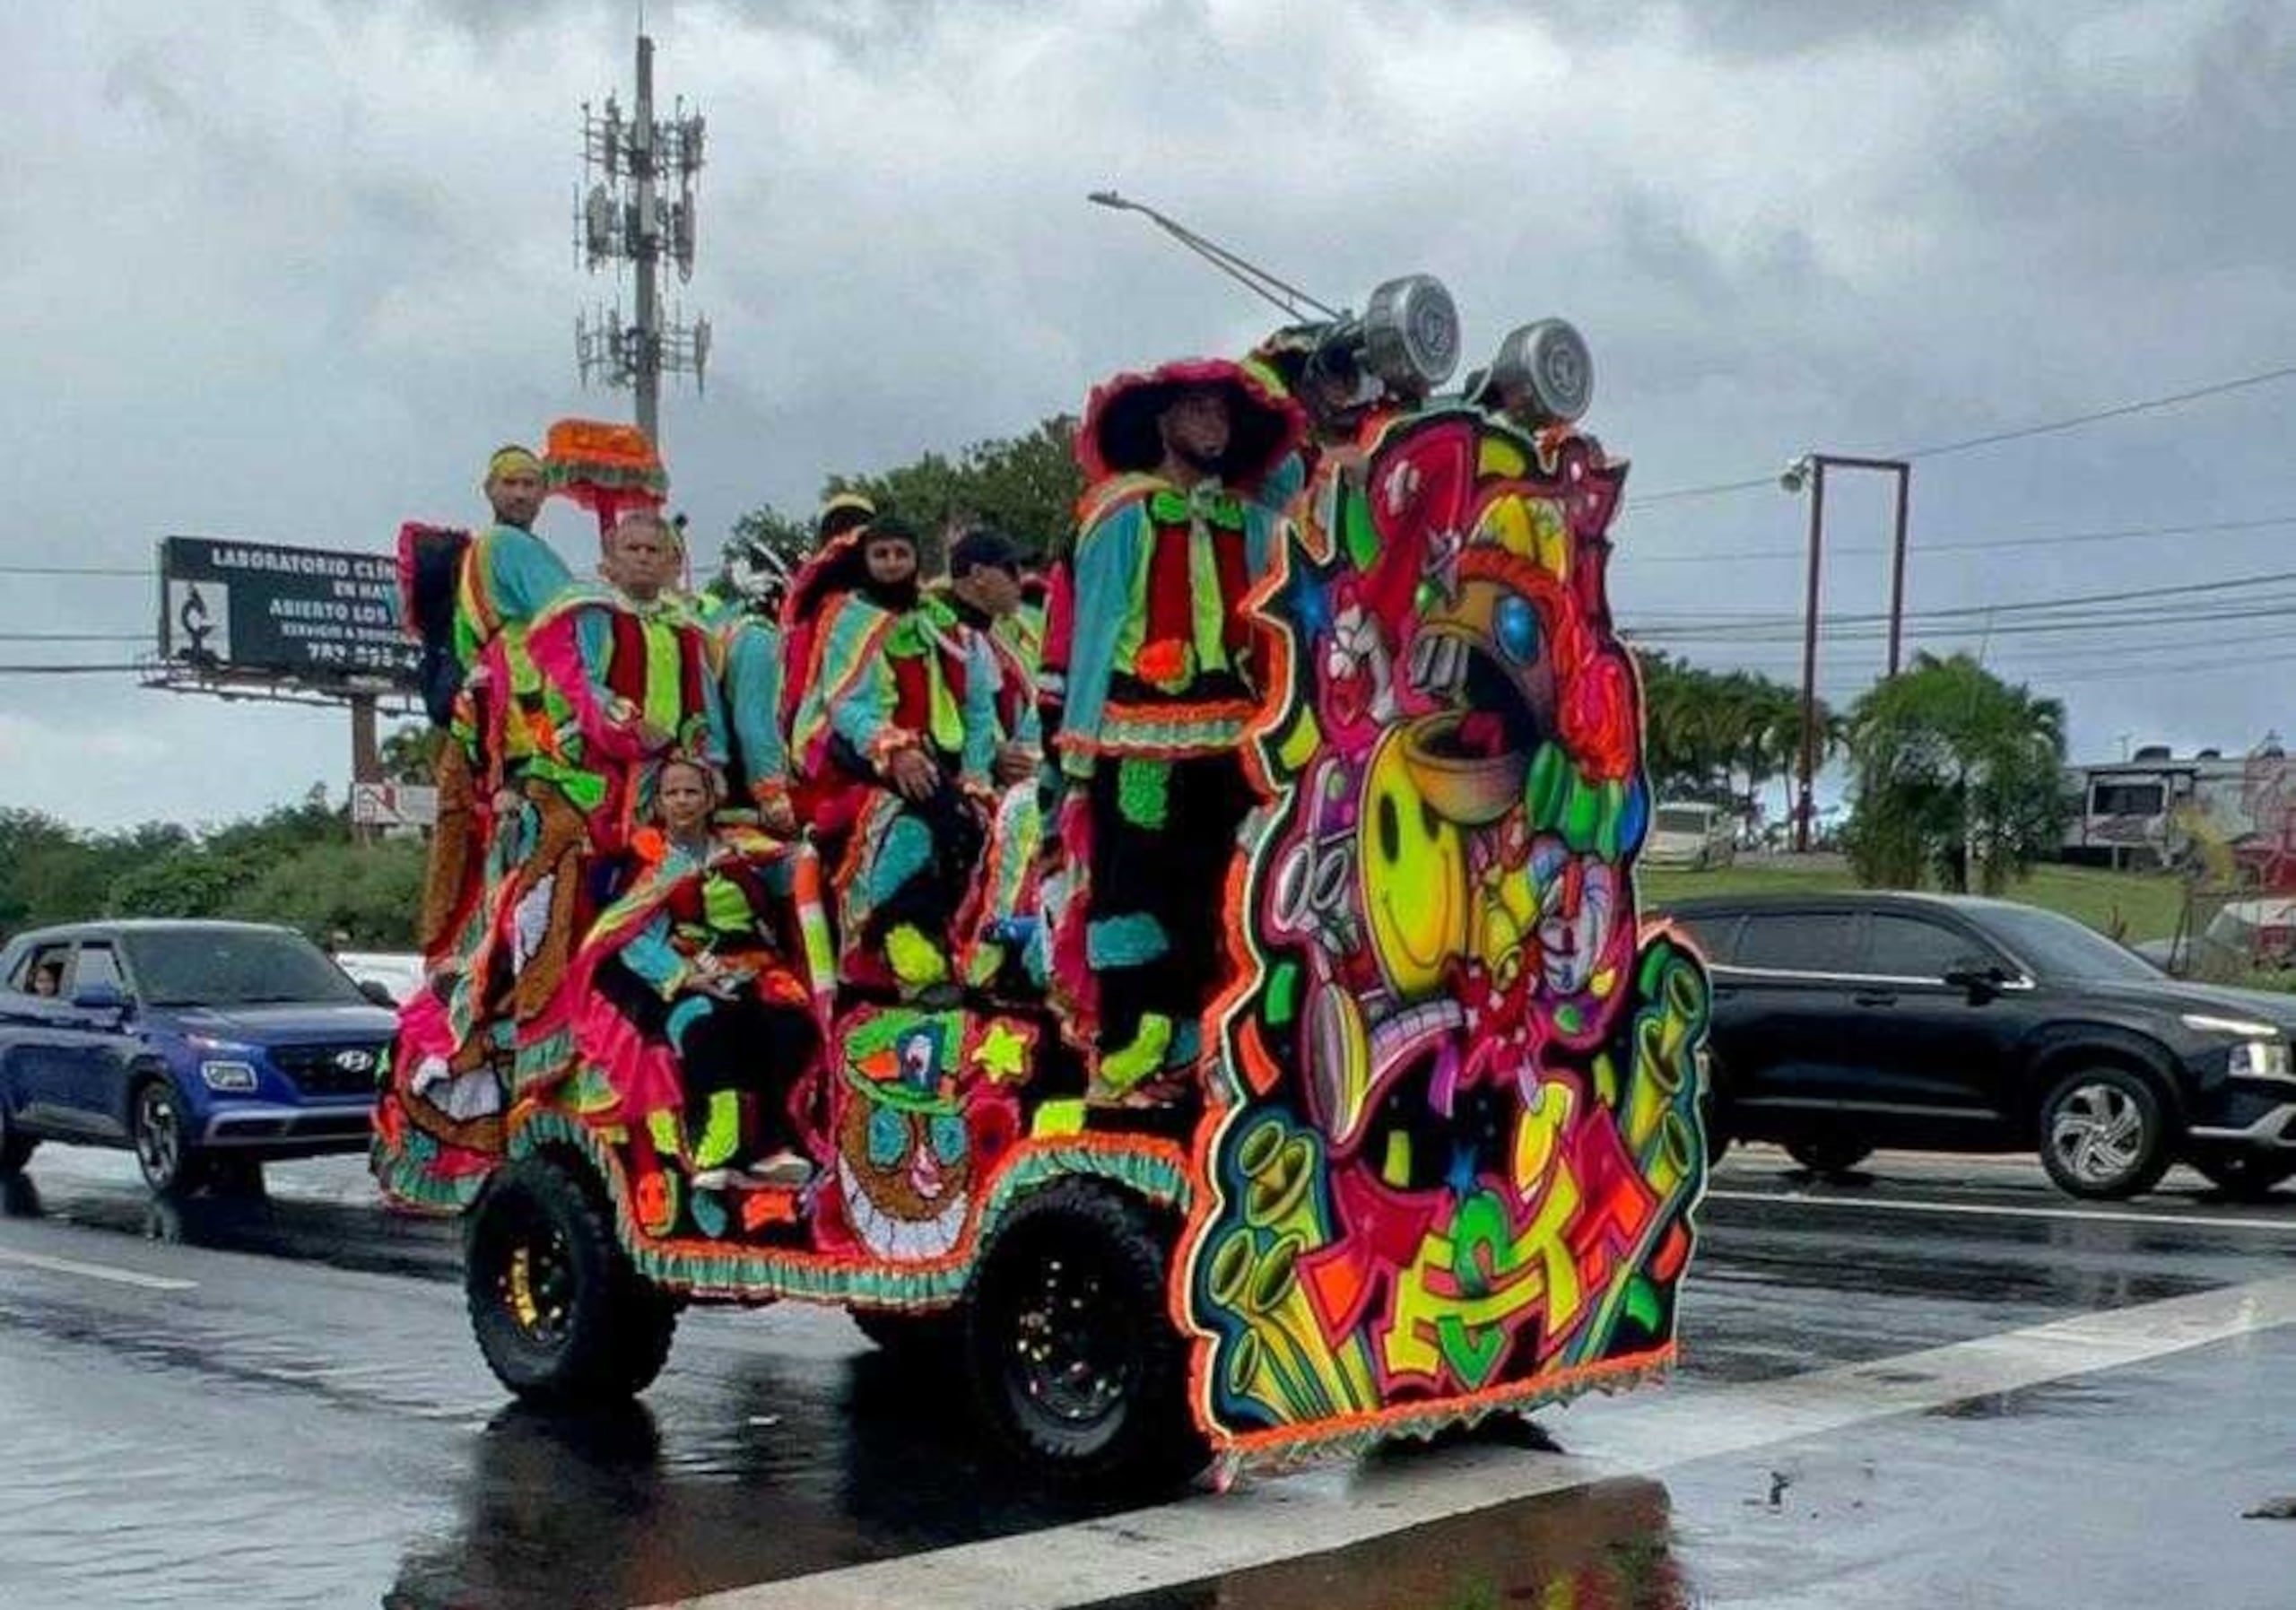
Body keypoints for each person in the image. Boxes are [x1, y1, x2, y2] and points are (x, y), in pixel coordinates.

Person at [1044, 359, 1304, 1101]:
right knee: (1133, 885)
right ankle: (1130, 1039)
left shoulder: (1256, 523)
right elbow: (1093, 634)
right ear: (1163, 422)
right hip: (1135, 736)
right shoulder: (1119, 513)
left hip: (1230, 740)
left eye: (1224, 415)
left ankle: (1197, 1041)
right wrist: (1078, 758)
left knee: (1214, 891)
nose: (1213, 426)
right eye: (1197, 410)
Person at [512, 509, 728, 1062]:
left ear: (672, 562)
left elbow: (702, 701)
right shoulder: (588, 611)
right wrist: (627, 724)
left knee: (666, 890)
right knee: (583, 888)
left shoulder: (686, 626)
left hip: (667, 779)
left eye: (653, 551)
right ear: (609, 555)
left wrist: (709, 758)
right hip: (593, 774)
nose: (642, 559)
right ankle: (564, 1014)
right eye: (631, 549)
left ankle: (654, 1011)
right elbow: (576, 681)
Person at [576, 757, 824, 1190]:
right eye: (672, 793)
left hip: (755, 967)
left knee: (791, 1028)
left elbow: (789, 871)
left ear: (710, 800)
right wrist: (685, 976)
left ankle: (773, 1145)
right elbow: (632, 935)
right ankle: (716, 1150)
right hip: (683, 976)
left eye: (691, 791)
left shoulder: (741, 847)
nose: (682, 801)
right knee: (708, 1027)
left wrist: (807, 851)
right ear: (659, 803)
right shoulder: (650, 864)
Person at [786, 515, 996, 998]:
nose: (892, 563)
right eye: (881, 554)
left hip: (947, 761)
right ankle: (899, 940)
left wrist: (978, 773)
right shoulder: (850, 620)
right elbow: (842, 702)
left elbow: (978, 706)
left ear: (917, 558)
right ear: (866, 560)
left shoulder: (944, 621)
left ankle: (970, 955)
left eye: (901, 553)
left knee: (980, 828)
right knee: (911, 823)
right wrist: (893, 748)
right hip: (868, 761)